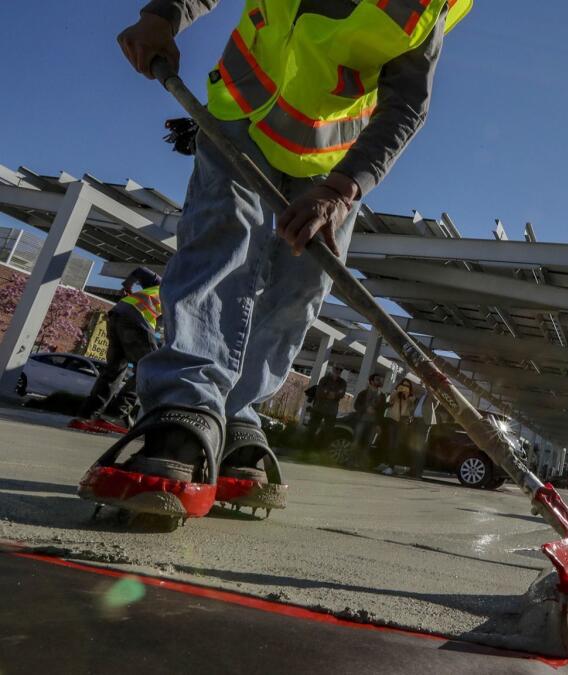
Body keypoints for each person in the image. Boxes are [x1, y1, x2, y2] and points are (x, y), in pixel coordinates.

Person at [79, 0, 471, 523]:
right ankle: (188, 407)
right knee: (219, 244)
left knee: (302, 286)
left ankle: (238, 410)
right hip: (242, 112)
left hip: (333, 157)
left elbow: (406, 104)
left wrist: (342, 189)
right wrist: (164, 15)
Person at [70, 266, 162, 434]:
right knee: (150, 367)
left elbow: (140, 270)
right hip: (137, 319)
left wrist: (127, 286)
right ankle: (114, 416)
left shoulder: (161, 283)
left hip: (117, 314)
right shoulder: (184, 293)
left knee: (114, 370)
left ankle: (85, 417)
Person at [376, 378, 415, 473]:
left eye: (407, 386)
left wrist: (406, 396)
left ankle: (391, 466)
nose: (405, 387)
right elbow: (390, 402)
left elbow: (411, 408)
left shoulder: (411, 397)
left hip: (402, 423)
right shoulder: (396, 393)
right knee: (389, 443)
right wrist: (397, 391)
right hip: (392, 420)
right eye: (403, 385)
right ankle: (387, 463)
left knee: (396, 444)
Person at [306, 365, 347, 448]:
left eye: (340, 370)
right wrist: (329, 394)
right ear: (333, 369)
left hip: (331, 411)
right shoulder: (324, 379)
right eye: (337, 368)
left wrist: (332, 394)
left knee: (328, 431)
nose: (338, 371)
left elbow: (341, 393)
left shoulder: (342, 382)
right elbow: (319, 392)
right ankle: (307, 447)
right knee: (312, 428)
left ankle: (321, 449)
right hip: (319, 408)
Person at [353, 373, 386, 459]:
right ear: (371, 381)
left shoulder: (382, 396)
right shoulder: (363, 393)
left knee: (368, 443)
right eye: (377, 379)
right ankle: (351, 461)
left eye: (380, 379)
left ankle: (361, 464)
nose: (379, 381)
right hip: (362, 421)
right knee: (357, 441)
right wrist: (366, 409)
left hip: (373, 423)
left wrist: (379, 425)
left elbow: (382, 412)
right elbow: (356, 405)